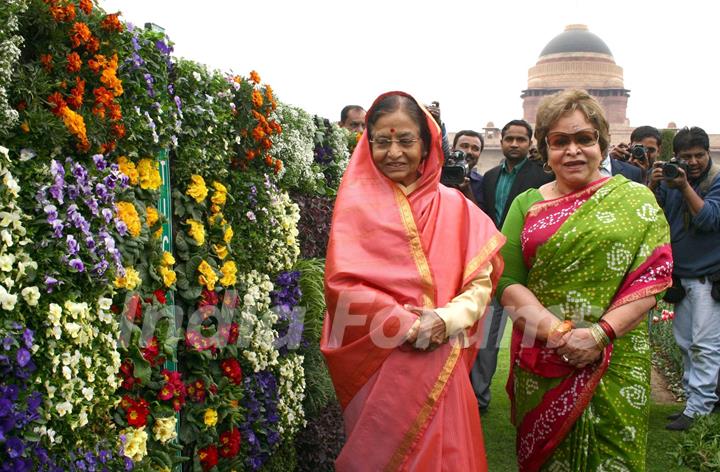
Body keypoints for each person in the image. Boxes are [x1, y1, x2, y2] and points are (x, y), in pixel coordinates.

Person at [321, 91, 504, 471]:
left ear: (426, 146)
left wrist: (444, 321)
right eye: (382, 142)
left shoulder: (457, 208)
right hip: (382, 357)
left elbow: (480, 283)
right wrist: (407, 325)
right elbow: (343, 285)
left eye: (405, 141)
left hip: (441, 353)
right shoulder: (355, 211)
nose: (394, 152)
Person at [499, 89, 673, 471]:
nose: (573, 150)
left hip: (618, 355)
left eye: (584, 139)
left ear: (602, 143)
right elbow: (507, 280)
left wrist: (598, 335)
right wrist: (560, 334)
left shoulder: (637, 200)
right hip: (544, 353)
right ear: (545, 149)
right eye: (560, 141)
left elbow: (652, 277)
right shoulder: (526, 203)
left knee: (616, 460)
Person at [472, 119, 553, 414]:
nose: (515, 144)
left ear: (531, 142)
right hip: (491, 266)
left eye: (521, 139)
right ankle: (478, 397)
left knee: (534, 336)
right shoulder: (491, 176)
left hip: (529, 270)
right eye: (510, 139)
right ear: (501, 141)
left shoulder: (541, 177)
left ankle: (537, 398)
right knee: (486, 337)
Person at [649, 126, 720, 430]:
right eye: (685, 156)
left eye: (698, 156)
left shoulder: (716, 181)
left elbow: (707, 220)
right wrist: (653, 186)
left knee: (705, 345)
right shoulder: (670, 179)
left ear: (708, 154)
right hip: (682, 276)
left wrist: (684, 187)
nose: (692, 162)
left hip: (708, 277)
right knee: (685, 343)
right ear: (675, 156)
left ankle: (700, 408)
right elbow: (654, 216)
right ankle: (694, 404)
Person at [453, 129, 485, 205]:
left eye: (475, 149)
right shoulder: (437, 177)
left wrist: (467, 191)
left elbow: (480, 215)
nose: (469, 152)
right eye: (464, 146)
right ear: (453, 149)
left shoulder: (483, 183)